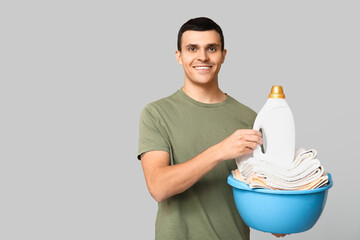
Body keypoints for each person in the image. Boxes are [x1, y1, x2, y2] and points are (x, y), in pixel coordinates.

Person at [137, 17, 286, 239]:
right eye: (192, 48)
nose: (203, 57)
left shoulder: (249, 118)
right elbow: (159, 187)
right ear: (179, 56)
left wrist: (280, 216)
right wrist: (220, 151)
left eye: (212, 48)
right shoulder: (156, 114)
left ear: (223, 55)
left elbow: (261, 193)